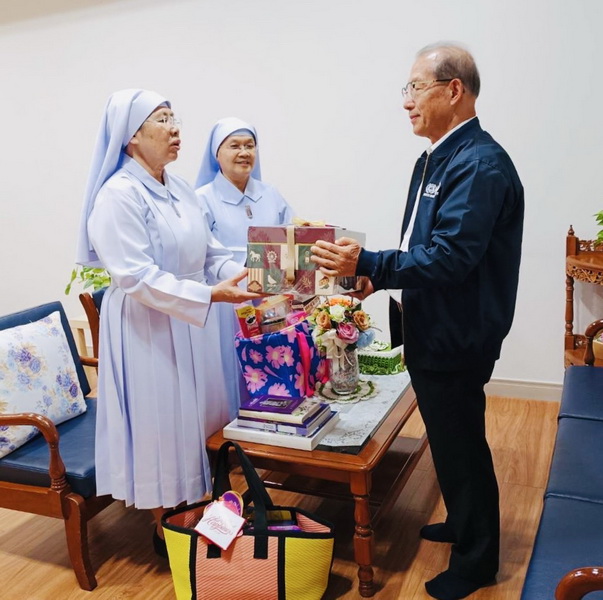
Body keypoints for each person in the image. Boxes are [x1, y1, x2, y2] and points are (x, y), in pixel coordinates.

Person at [311, 43, 524, 600]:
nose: (406, 102)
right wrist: (373, 278)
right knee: (450, 437)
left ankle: (476, 562)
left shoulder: (478, 164)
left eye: (415, 88)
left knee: (461, 442)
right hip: (435, 323)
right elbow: (420, 246)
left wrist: (369, 263)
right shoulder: (437, 156)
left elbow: (451, 258)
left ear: (454, 91)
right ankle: (463, 522)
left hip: (458, 331)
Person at [75, 89, 260, 557]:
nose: (176, 129)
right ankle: (166, 525)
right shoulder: (118, 195)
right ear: (132, 136)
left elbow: (211, 254)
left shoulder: (179, 188)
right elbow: (135, 276)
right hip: (147, 323)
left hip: (191, 316)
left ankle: (201, 505)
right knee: (161, 421)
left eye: (175, 118)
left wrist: (245, 276)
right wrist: (210, 294)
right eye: (162, 120)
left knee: (197, 414)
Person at [195, 117, 295, 411]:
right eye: (234, 146)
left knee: (277, 366)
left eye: (250, 145)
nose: (244, 152)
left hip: (273, 298)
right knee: (233, 369)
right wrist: (250, 279)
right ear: (217, 153)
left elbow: (292, 238)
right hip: (228, 298)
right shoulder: (202, 199)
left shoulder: (270, 193)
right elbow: (205, 254)